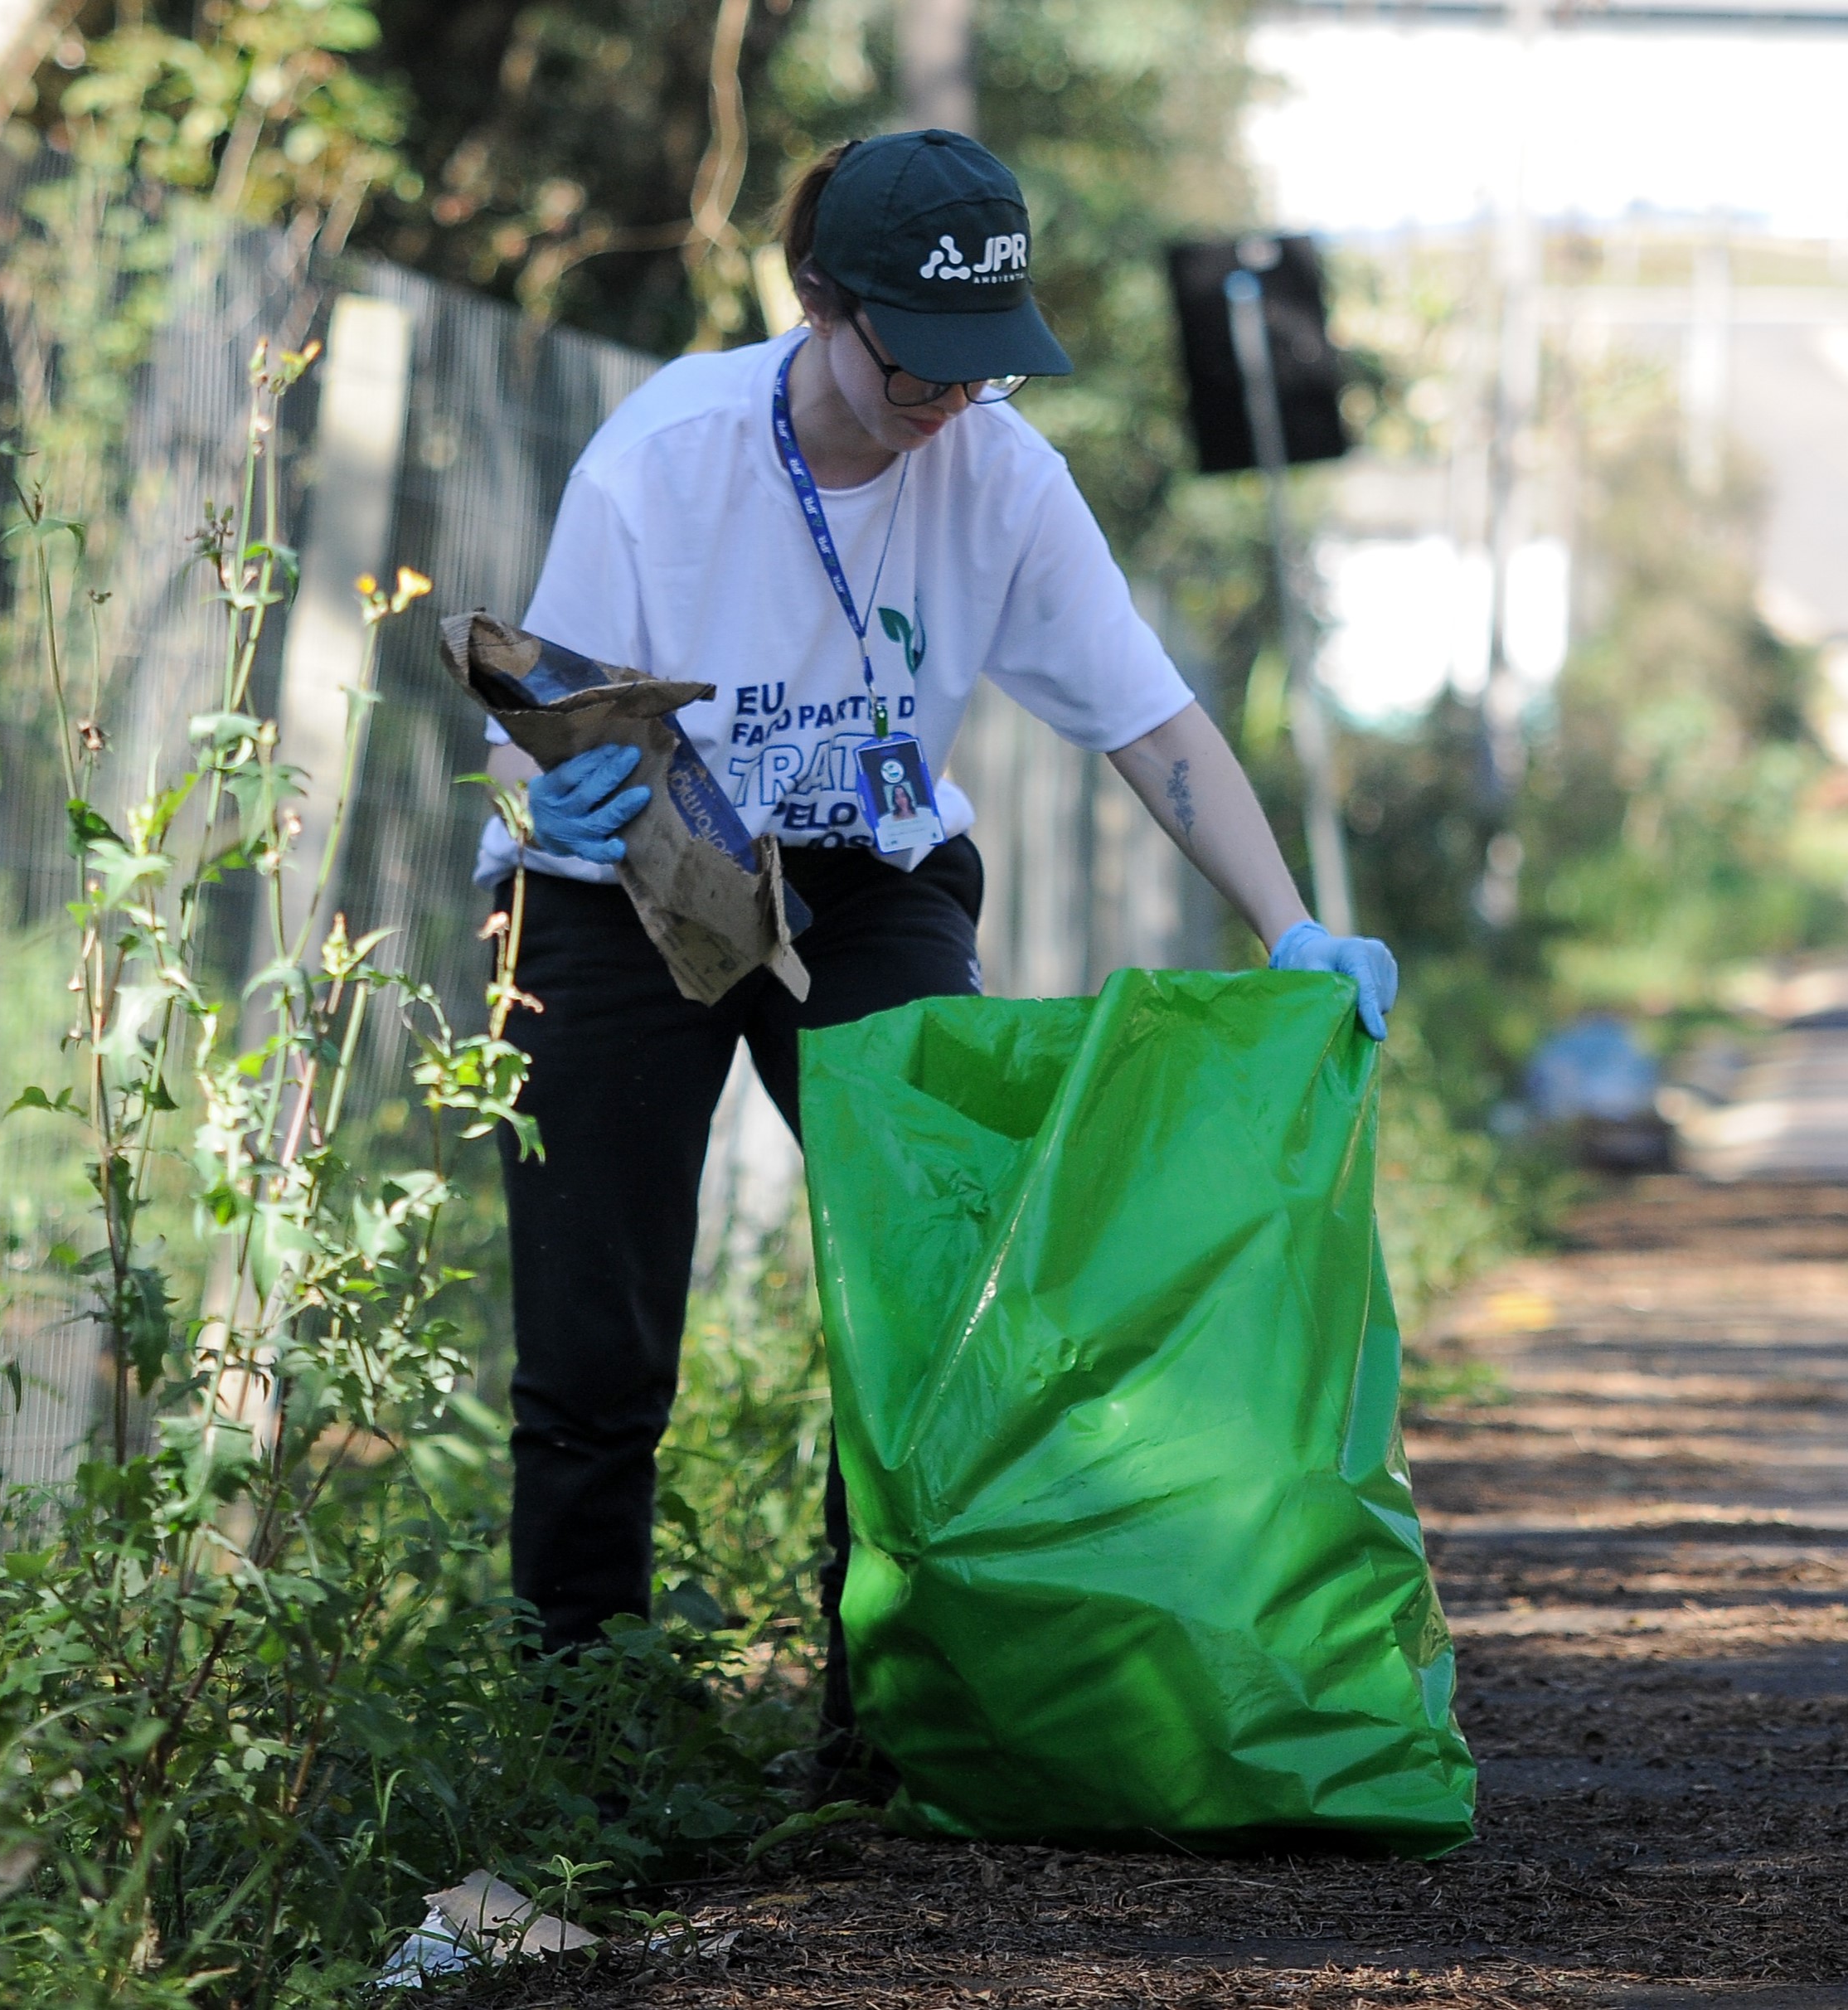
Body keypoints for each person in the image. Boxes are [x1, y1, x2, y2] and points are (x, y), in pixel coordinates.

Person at [478, 127, 1399, 1778]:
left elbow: (1149, 717)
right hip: (622, 882)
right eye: (923, 364)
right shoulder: (667, 455)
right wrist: (559, 796)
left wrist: (1292, 924)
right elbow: (526, 721)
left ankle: (885, 1726)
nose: (951, 404)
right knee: (597, 1341)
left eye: (988, 369)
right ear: (822, 301)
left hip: (864, 874)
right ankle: (581, 1761)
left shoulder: (1002, 473)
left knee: (930, 1293)